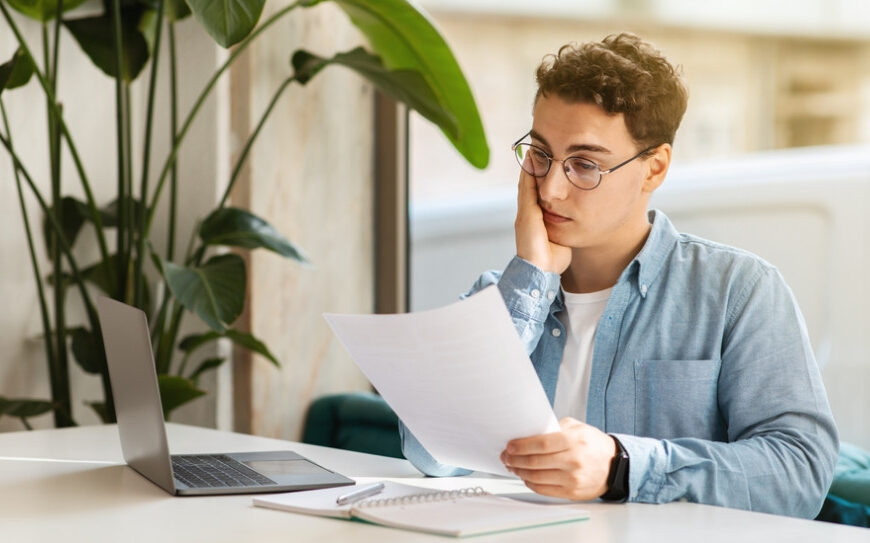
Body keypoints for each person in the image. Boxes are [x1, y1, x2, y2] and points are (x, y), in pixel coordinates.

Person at [399, 33, 838, 519]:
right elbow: (426, 452)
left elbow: (800, 473)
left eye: (585, 164)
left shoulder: (738, 290)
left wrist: (621, 467)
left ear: (654, 168)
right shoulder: (501, 295)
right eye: (540, 155)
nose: (551, 189)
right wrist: (530, 281)